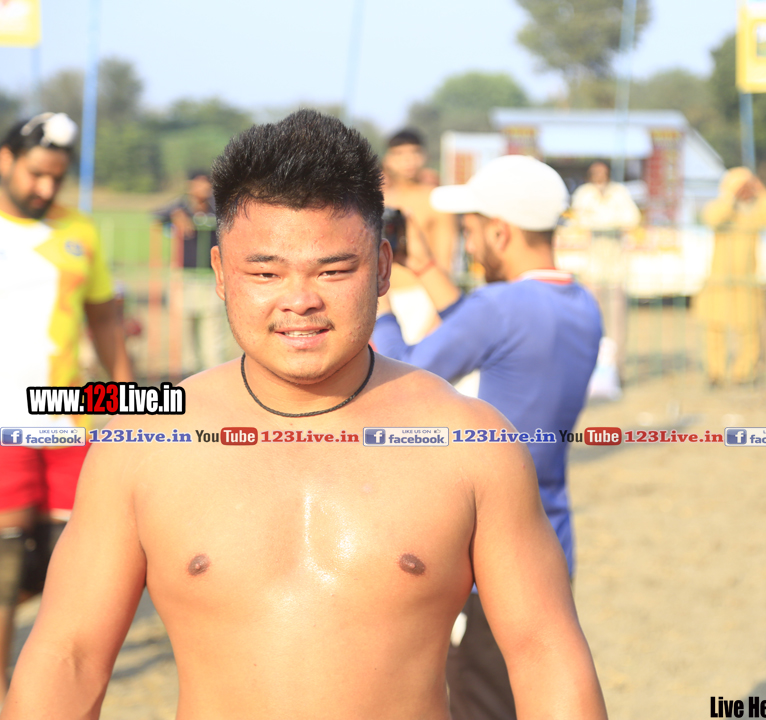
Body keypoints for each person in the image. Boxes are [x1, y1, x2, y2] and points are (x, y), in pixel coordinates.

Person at [1, 110, 607, 720]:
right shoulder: (145, 443)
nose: (299, 300)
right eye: (265, 272)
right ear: (221, 273)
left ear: (382, 268)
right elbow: (69, 656)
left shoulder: (470, 442)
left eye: (334, 270)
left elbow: (544, 651)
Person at [372, 154, 603, 720]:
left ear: (501, 232)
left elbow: (404, 380)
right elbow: (490, 332)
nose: (469, 245)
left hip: (484, 556)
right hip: (550, 539)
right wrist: (427, 269)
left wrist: (379, 302)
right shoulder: (581, 304)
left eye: (472, 231)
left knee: (481, 705)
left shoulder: (499, 307)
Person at [0, 112, 133, 704]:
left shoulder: (80, 230)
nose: (45, 187)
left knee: (67, 567)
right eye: (36, 174)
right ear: (6, 159)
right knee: (5, 566)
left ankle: (53, 692)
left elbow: (103, 318)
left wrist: (129, 401)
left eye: (56, 177)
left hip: (65, 420)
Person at [695, 167, 766, 387]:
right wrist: (732, 196)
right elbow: (712, 218)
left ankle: (744, 372)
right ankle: (715, 372)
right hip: (719, 280)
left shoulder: (756, 211)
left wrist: (761, 191)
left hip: (747, 281)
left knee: (750, 328)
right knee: (714, 328)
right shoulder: (722, 209)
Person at [382, 129, 458, 344]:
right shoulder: (378, 201)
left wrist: (437, 315)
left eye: (414, 153)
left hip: (423, 296)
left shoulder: (435, 200)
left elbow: (446, 261)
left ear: (424, 156)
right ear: (388, 159)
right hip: (384, 297)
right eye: (400, 154)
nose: (408, 160)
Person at [154, 169, 234, 373]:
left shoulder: (218, 208)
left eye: (206, 184)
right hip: (184, 277)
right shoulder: (180, 206)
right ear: (190, 186)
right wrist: (176, 215)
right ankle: (188, 377)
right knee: (184, 332)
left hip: (211, 278)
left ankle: (214, 375)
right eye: (198, 184)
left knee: (213, 332)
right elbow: (156, 214)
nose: (203, 188)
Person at [569, 159, 640, 382]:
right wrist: (607, 222)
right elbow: (579, 221)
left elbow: (631, 219)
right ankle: (592, 369)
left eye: (602, 172)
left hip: (616, 267)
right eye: (595, 172)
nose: (599, 176)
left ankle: (617, 369)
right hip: (592, 267)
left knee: (616, 321)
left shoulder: (619, 193)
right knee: (591, 319)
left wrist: (603, 222)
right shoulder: (584, 194)